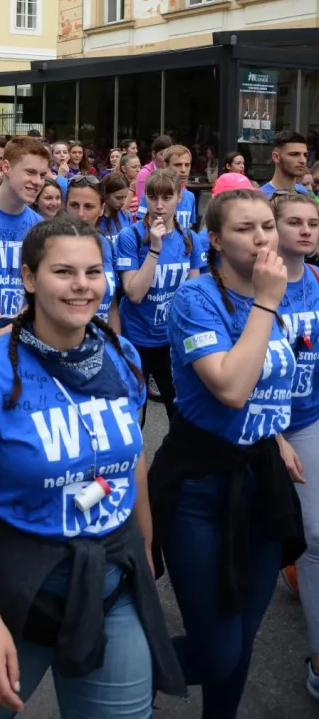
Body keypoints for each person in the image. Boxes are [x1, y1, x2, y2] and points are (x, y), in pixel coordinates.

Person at [0, 216, 184, 718]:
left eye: (94, 272)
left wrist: (144, 548)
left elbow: (132, 457)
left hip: (111, 580)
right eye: (64, 272)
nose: (82, 286)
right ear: (29, 278)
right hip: (21, 587)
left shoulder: (122, 355)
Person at [149, 187, 303, 719]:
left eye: (267, 225)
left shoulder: (278, 290)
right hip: (199, 486)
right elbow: (232, 388)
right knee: (217, 648)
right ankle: (112, 666)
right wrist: (265, 301)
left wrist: (275, 436)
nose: (262, 236)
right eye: (245, 228)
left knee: (242, 637)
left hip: (261, 478)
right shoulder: (197, 298)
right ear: (214, 238)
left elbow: (271, 383)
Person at [272, 191, 319, 698]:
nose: (307, 231)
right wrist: (275, 436)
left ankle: (318, 659)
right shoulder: (249, 283)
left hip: (308, 417)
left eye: (313, 223)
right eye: (295, 222)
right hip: (258, 425)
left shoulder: (318, 281)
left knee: (317, 533)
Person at [117, 169, 205, 423]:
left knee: (180, 414)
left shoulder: (189, 238)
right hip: (136, 339)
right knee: (135, 416)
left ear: (179, 198)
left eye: (167, 198)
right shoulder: (131, 236)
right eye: (152, 197)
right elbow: (133, 293)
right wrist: (154, 249)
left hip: (172, 341)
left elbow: (192, 295)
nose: (158, 205)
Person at [0, 136, 47, 318]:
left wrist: (15, 326)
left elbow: (41, 289)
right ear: (6, 167)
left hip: (23, 332)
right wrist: (1, 326)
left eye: (42, 175)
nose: (37, 181)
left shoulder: (40, 226)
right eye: (30, 172)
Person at [64, 176, 121, 332]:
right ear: (65, 206)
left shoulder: (107, 245)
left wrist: (117, 348)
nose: (81, 214)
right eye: (74, 205)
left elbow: (112, 306)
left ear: (102, 209)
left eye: (89, 207)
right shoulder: (51, 247)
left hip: (103, 344)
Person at [137, 144, 196, 231]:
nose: (183, 170)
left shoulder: (190, 196)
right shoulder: (153, 194)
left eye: (187, 165)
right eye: (178, 165)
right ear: (166, 165)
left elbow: (190, 226)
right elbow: (141, 225)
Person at [262, 131, 310, 196]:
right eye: (294, 154)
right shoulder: (261, 197)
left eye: (305, 155)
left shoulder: (304, 192)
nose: (303, 160)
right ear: (276, 157)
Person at [134, 134, 173, 205]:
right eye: (162, 154)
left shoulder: (174, 172)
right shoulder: (144, 174)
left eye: (169, 155)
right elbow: (142, 204)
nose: (166, 159)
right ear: (153, 154)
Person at [98, 174, 132, 245]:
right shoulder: (94, 217)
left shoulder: (126, 215)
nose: (123, 202)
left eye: (125, 197)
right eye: (118, 198)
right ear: (105, 195)